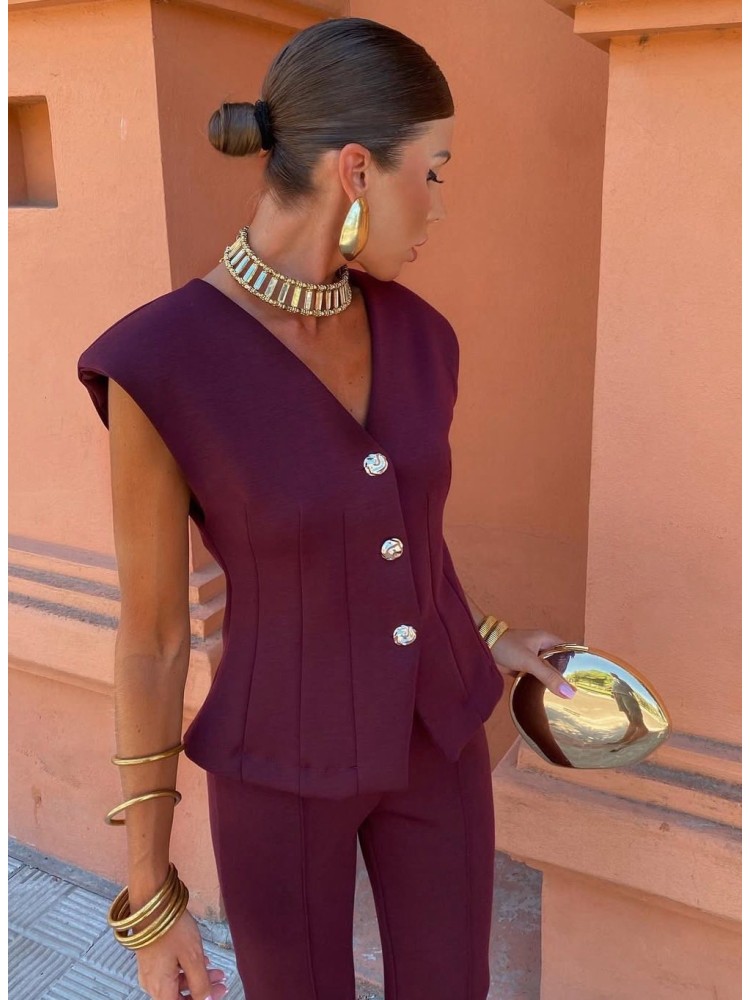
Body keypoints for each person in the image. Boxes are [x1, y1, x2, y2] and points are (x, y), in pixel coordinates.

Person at [76, 16, 577, 1000]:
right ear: (356, 171)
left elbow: (401, 530)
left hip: (437, 735)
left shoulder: (423, 337)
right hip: (276, 762)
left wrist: (488, 636)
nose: (439, 205)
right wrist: (151, 894)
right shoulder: (160, 364)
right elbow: (154, 639)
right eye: (431, 173)